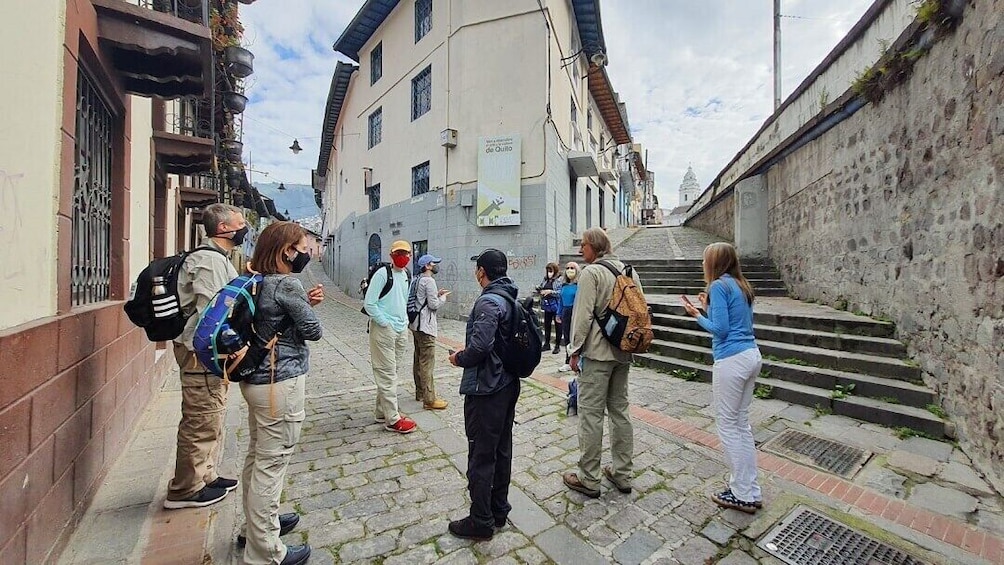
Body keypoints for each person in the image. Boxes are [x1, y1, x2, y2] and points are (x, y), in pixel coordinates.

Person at [237, 221, 322, 565]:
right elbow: (312, 331)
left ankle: (256, 528)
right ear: (287, 251)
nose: (306, 253)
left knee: (257, 457)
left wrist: (301, 306)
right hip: (279, 381)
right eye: (303, 248)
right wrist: (305, 306)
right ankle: (266, 552)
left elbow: (273, 322)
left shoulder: (257, 280)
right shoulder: (287, 283)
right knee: (271, 466)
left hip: (256, 379)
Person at [165, 203, 245, 509]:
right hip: (201, 352)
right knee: (201, 418)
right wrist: (232, 346)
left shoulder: (215, 258)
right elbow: (212, 313)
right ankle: (185, 488)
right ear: (224, 228)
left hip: (207, 352)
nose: (243, 227)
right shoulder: (209, 262)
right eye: (240, 223)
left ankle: (206, 475)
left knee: (212, 414)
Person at [681, 242, 764, 514]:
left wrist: (696, 315)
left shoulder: (717, 286)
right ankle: (750, 489)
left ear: (714, 262)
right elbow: (737, 322)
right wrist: (708, 308)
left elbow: (721, 330)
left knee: (728, 426)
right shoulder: (742, 286)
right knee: (741, 425)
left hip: (731, 359)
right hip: (751, 354)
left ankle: (741, 493)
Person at [447, 249, 522, 541]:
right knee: (502, 449)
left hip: (487, 389)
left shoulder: (488, 302)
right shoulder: (509, 296)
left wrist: (457, 358)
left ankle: (480, 520)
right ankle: (499, 509)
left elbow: (479, 348)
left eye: (477, 269)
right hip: (507, 385)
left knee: (481, 453)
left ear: (482, 272)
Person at [562, 228, 640, 498]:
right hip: (623, 352)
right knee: (620, 412)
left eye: (583, 245)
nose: (580, 250)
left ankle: (589, 477)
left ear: (594, 247)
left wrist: (574, 350)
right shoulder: (629, 271)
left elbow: (582, 317)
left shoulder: (591, 273)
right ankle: (622, 474)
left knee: (590, 415)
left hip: (597, 353)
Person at [365, 240, 418, 433]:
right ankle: (393, 419)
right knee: (387, 373)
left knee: (391, 372)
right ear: (391, 255)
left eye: (405, 253)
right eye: (398, 253)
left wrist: (403, 323)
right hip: (383, 330)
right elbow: (369, 303)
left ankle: (381, 412)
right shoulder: (382, 274)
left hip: (400, 329)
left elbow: (402, 301)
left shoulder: (406, 275)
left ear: (410, 256)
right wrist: (385, 323)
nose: (402, 256)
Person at [410, 253, 450, 410]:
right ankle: (429, 399)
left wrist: (435, 295)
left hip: (415, 325)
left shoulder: (416, 280)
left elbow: (421, 299)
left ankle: (420, 392)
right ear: (427, 266)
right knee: (427, 362)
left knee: (418, 359)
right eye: (434, 263)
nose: (435, 265)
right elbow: (433, 305)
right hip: (426, 326)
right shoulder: (429, 281)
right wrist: (443, 298)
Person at [557, 261, 580, 373]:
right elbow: (560, 301)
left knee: (575, 337)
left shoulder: (579, 286)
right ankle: (568, 361)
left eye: (572, 268)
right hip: (565, 311)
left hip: (575, 311)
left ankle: (577, 360)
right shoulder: (564, 286)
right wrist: (558, 313)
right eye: (568, 268)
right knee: (566, 337)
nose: (570, 270)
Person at [536, 262, 563, 354]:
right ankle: (547, 343)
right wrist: (539, 289)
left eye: (550, 271)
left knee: (558, 326)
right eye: (548, 271)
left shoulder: (559, 280)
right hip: (547, 306)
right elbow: (541, 286)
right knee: (547, 325)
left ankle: (557, 345)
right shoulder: (545, 279)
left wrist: (551, 292)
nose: (549, 273)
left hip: (556, 305)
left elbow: (560, 293)